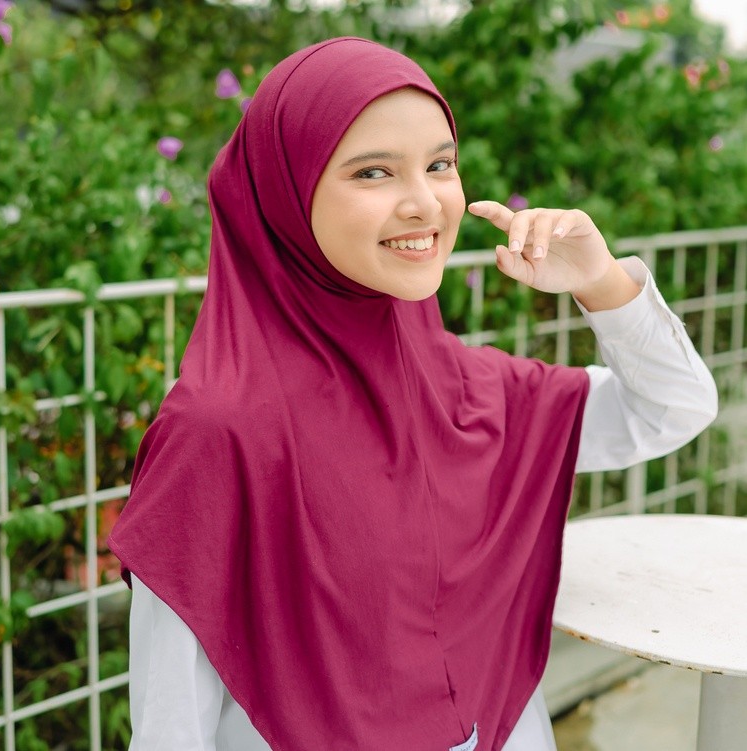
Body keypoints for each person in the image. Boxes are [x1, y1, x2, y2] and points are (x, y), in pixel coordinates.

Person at [108, 37, 717, 751]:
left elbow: (670, 408)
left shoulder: (461, 387)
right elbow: (171, 727)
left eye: (439, 165)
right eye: (372, 172)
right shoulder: (218, 431)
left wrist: (601, 281)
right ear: (283, 192)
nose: (424, 203)